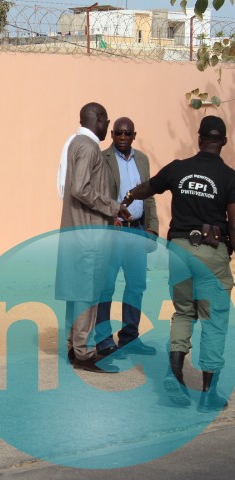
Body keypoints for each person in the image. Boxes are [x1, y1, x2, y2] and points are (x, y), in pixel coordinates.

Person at [123, 115, 235, 412]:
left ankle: (175, 377)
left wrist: (130, 195)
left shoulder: (178, 168)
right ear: (223, 142)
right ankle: (209, 394)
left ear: (199, 139)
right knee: (213, 320)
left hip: (178, 251)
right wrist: (229, 249)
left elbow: (149, 188)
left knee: (184, 313)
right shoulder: (229, 177)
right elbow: (233, 223)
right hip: (211, 251)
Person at [55, 102, 130, 373]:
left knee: (77, 293)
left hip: (80, 232)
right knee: (87, 294)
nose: (107, 127)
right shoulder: (87, 147)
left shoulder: (76, 144)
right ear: (97, 118)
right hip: (89, 235)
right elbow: (80, 189)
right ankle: (84, 352)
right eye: (106, 121)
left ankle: (73, 346)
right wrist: (113, 207)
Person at [95, 117, 159, 357]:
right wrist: (108, 215)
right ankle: (102, 339)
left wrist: (152, 228)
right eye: (118, 133)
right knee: (106, 286)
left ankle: (129, 337)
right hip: (114, 231)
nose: (123, 138)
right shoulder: (102, 158)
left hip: (137, 230)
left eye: (127, 134)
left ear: (134, 135)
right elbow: (97, 194)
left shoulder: (142, 159)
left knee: (136, 285)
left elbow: (149, 195)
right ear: (111, 134)